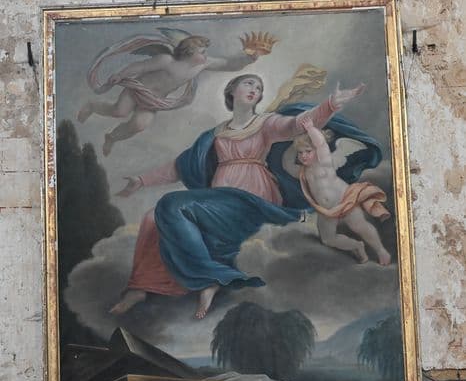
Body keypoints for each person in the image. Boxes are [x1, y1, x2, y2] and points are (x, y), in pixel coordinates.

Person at [111, 74, 372, 319]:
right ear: (231, 91)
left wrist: (330, 105)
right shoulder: (214, 134)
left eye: (258, 88)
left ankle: (210, 278)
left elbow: (296, 124)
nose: (254, 89)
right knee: (152, 218)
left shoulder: (266, 123)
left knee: (170, 205)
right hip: (218, 199)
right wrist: (141, 180)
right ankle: (141, 287)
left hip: (251, 198)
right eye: (248, 83)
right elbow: (181, 167)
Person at [78, 31, 276, 156]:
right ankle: (92, 106)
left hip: (153, 101)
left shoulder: (201, 65)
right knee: (119, 112)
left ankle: (112, 137)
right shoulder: (166, 61)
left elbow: (228, 64)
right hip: (137, 89)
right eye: (202, 52)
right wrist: (120, 75)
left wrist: (249, 58)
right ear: (188, 52)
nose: (206, 55)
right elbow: (140, 67)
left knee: (139, 125)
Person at [294, 114, 391, 265]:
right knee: (328, 239)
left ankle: (380, 251)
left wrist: (311, 129)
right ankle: (356, 246)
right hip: (326, 211)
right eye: (300, 153)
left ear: (316, 151)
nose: (303, 156)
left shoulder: (324, 161)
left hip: (344, 201)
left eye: (308, 151)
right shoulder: (304, 171)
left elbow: (321, 144)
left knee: (359, 226)